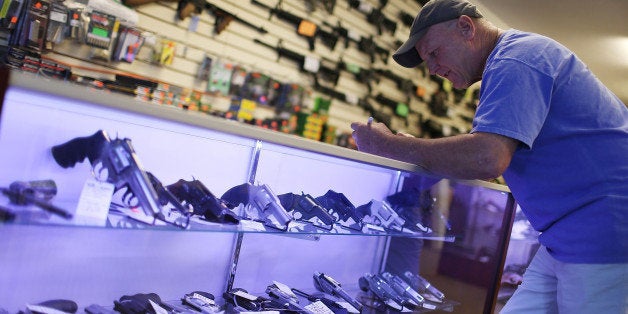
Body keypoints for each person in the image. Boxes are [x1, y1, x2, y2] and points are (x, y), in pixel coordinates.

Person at [350, 0, 628, 313]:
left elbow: (487, 158)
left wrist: (386, 145)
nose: (432, 69)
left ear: (466, 27)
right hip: (566, 239)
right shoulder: (509, 63)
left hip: (603, 237)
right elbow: (484, 159)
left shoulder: (518, 58)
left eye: (433, 53)